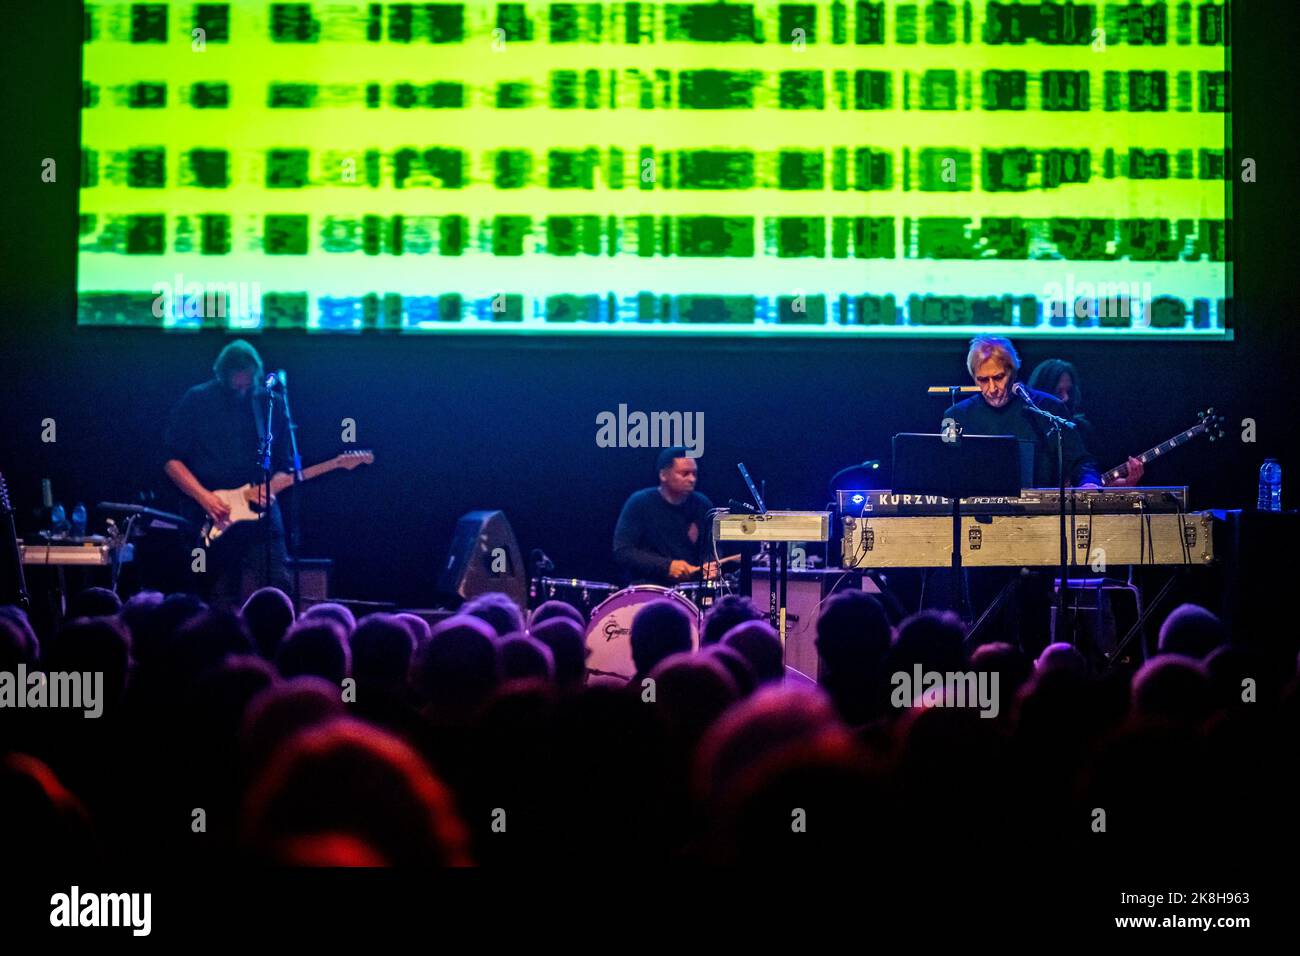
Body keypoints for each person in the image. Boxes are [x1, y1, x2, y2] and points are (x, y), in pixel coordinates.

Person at [162, 340, 292, 607]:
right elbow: (170, 460)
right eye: (235, 384)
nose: (242, 390)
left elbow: (285, 466)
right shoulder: (197, 400)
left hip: (261, 519)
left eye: (247, 384)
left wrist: (271, 487)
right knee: (219, 596)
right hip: (214, 513)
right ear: (222, 375)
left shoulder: (271, 404)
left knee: (278, 590)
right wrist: (204, 497)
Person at [944, 337, 1102, 488]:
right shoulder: (957, 416)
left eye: (998, 377)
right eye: (983, 380)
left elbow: (1080, 462)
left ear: (1013, 371)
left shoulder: (1048, 408)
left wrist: (1089, 482)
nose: (992, 389)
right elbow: (945, 469)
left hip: (1042, 514)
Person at [1027, 358, 1145, 487]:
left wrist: (1127, 483)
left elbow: (1098, 481)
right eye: (1058, 392)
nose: (1066, 398)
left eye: (1069, 391)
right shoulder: (1030, 429)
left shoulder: (1082, 429)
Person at [612, 447, 719, 586]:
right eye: (685, 473)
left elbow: (711, 548)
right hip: (648, 587)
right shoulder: (640, 502)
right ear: (663, 475)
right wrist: (667, 566)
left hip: (690, 589)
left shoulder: (702, 504)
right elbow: (623, 551)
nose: (692, 479)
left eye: (694, 474)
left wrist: (710, 564)